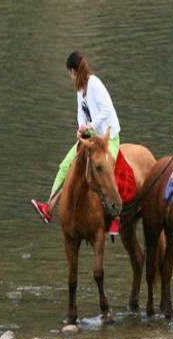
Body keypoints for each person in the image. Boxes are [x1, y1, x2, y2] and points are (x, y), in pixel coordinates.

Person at [31, 51, 121, 235]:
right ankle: (48, 207)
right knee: (65, 165)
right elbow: (80, 113)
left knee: (108, 167)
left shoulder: (94, 83)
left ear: (73, 71)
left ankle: (115, 218)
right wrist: (81, 127)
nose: (70, 77)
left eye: (69, 73)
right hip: (90, 137)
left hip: (107, 136)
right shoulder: (80, 88)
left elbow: (106, 110)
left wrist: (91, 125)